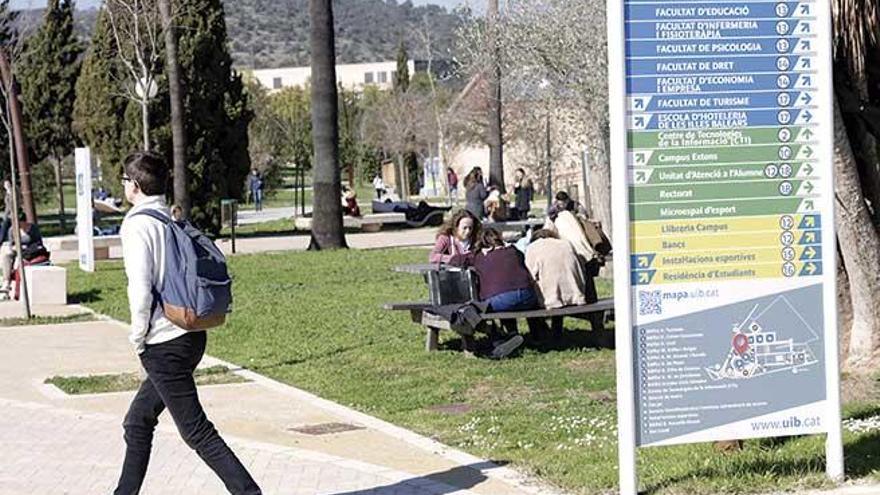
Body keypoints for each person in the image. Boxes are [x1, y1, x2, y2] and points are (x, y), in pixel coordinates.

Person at [115, 151, 261, 495]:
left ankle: (249, 493)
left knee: (196, 431)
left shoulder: (137, 224)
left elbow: (140, 286)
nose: (123, 186)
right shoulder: (170, 218)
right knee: (137, 422)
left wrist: (138, 338)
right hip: (191, 335)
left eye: (124, 180)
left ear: (134, 186)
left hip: (163, 343)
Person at [450, 228, 540, 356]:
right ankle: (534, 337)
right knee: (510, 296)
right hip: (528, 297)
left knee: (485, 304)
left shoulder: (478, 256)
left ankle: (498, 339)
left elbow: (455, 260)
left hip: (501, 300)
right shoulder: (514, 250)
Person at [525, 229, 587, 338]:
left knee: (535, 294)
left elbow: (529, 275)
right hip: (575, 294)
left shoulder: (533, 248)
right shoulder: (565, 244)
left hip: (550, 298)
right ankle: (556, 330)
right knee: (557, 286)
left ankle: (537, 335)